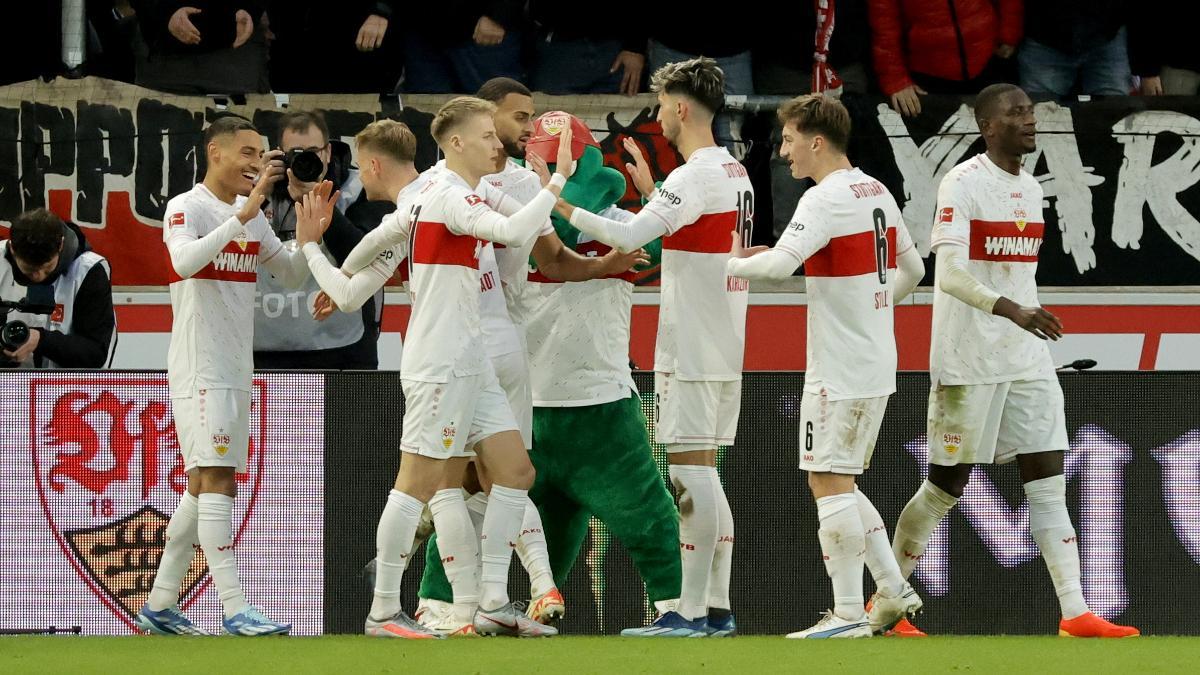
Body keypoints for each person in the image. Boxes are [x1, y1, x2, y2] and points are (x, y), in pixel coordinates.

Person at [297, 96, 578, 638]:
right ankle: (383, 611)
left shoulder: (424, 196)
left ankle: (493, 601)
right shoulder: (448, 197)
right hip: (440, 362)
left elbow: (358, 279)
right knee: (417, 483)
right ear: (455, 144)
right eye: (488, 137)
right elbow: (518, 234)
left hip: (469, 359)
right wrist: (557, 181)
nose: (498, 144)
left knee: (516, 472)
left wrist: (328, 255)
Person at [888, 83, 1139, 638]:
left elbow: (1013, 271)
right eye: (1016, 112)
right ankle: (886, 601)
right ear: (986, 125)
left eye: (1031, 111)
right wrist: (1012, 310)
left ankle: (1075, 612)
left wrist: (1028, 313)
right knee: (944, 488)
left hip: (1025, 356)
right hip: (968, 359)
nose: (1029, 120)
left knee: (1049, 480)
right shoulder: (963, 182)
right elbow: (948, 273)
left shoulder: (1029, 186)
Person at [554, 57, 751, 637]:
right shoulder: (732, 171)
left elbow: (624, 236)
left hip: (692, 344)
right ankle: (714, 606)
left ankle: (688, 611)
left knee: (691, 476)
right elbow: (684, 230)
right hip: (724, 340)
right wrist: (654, 194)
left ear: (681, 108)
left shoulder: (693, 178)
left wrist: (556, 201)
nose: (659, 117)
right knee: (706, 474)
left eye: (663, 106)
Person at [726, 94, 926, 638]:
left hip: (840, 365)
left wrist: (731, 261)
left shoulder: (823, 200)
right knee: (839, 477)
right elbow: (913, 267)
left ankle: (845, 615)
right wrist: (874, 308)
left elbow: (780, 265)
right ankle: (892, 589)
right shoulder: (874, 188)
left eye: (789, 139)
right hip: (872, 356)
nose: (783, 152)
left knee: (826, 478)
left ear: (816, 141)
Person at [134, 115, 324, 636]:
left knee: (202, 485)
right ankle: (235, 606)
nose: (257, 164)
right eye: (247, 153)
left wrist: (307, 236)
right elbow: (185, 263)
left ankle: (160, 604)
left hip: (237, 365)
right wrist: (245, 211)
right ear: (214, 152)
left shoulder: (252, 215)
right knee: (218, 480)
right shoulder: (186, 207)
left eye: (261, 155)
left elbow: (287, 272)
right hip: (200, 365)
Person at [253, 110, 378, 370]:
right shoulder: (258, 191)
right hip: (265, 347)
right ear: (280, 155)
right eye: (296, 153)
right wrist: (256, 192)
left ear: (328, 152)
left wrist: (321, 206)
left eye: (313, 150)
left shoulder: (357, 189)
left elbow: (368, 258)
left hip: (342, 348)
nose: (306, 160)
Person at [0, 208, 116, 368]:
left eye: (47, 268)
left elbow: (96, 354)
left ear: (60, 245)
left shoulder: (89, 270)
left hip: (68, 389)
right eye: (29, 269)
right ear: (12, 248)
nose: (39, 276)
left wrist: (41, 340)